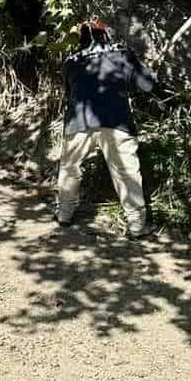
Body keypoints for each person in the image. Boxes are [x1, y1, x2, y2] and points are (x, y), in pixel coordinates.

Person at [56, 17, 157, 238]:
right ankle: (138, 226)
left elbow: (68, 94)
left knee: (70, 169)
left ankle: (64, 214)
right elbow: (147, 85)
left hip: (78, 121)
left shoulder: (70, 61)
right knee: (125, 172)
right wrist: (149, 69)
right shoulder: (121, 52)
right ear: (105, 34)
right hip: (115, 120)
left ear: (80, 38)